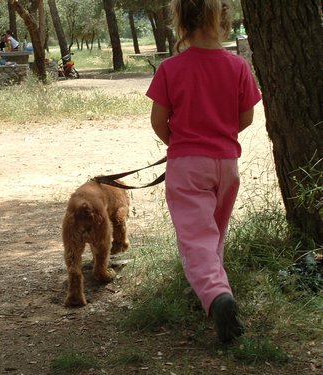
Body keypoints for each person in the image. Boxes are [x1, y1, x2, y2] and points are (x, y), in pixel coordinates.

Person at [146, 0, 261, 344]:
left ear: (180, 22)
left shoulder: (170, 68)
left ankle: (216, 296)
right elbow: (247, 117)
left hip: (187, 166)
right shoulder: (238, 66)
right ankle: (212, 293)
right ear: (224, 20)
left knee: (196, 238)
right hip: (227, 164)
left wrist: (180, 145)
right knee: (213, 234)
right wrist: (219, 138)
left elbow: (158, 121)